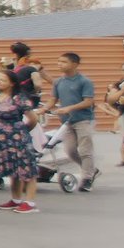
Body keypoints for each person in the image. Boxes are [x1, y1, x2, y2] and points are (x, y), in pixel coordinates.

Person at [0, 69, 40, 212]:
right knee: (13, 170)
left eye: (2, 80)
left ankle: (30, 202)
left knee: (27, 169)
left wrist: (20, 131)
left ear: (12, 83)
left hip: (17, 139)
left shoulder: (18, 98)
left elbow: (33, 118)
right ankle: (16, 199)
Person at [47, 52, 98, 190]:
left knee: (85, 150)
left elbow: (88, 101)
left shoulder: (84, 81)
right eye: (58, 61)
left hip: (84, 120)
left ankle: (87, 178)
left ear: (74, 64)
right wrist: (43, 109)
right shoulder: (58, 82)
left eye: (63, 62)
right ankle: (91, 169)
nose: (59, 64)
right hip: (67, 122)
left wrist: (69, 108)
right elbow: (53, 100)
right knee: (70, 151)